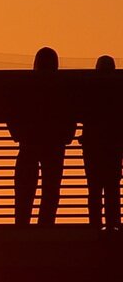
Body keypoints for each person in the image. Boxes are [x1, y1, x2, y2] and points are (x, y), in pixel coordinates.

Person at [8, 47, 77, 227]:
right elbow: (70, 114)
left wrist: (18, 133)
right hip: (54, 144)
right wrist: (66, 135)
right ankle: (45, 226)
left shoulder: (26, 87)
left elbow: (13, 112)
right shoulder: (63, 88)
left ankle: (22, 226)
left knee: (25, 187)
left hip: (29, 143)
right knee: (51, 188)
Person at [81, 55, 122, 231]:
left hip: (93, 146)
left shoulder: (89, 92)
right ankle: (113, 223)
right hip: (113, 146)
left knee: (94, 188)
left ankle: (95, 225)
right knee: (112, 187)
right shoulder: (117, 92)